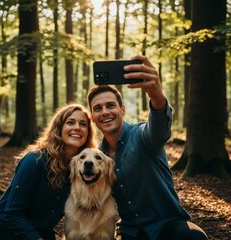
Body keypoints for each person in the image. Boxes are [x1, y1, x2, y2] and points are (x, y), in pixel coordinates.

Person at [87, 55, 208, 240]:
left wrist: (156, 95)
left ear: (122, 109)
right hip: (130, 231)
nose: (105, 112)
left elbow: (159, 126)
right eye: (98, 108)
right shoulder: (98, 158)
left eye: (110, 105)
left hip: (167, 225)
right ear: (93, 117)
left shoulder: (142, 135)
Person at [0, 103, 97, 240]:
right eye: (70, 122)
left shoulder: (82, 170)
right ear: (59, 128)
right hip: (4, 232)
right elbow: (12, 214)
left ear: (88, 133)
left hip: (41, 231)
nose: (77, 128)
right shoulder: (34, 160)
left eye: (83, 124)